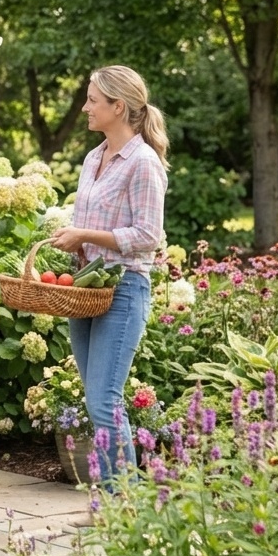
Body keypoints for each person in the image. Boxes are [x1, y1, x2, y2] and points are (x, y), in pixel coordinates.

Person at [49, 65, 168, 489]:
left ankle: (127, 505)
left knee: (104, 402)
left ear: (118, 107)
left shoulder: (143, 162)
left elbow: (148, 236)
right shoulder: (93, 158)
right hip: (86, 290)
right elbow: (90, 225)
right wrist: (75, 242)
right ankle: (110, 504)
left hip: (123, 289)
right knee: (95, 399)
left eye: (93, 100)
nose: (85, 107)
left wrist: (85, 234)